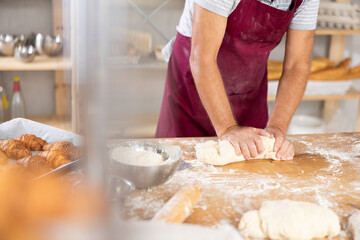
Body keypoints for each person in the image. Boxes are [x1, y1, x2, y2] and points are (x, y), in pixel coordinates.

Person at [156, 0, 319, 160]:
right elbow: (202, 57)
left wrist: (277, 127)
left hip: (249, 90)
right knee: (182, 172)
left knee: (251, 177)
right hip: (193, 90)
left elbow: (297, 65)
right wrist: (228, 128)